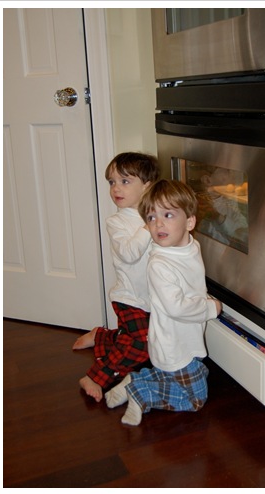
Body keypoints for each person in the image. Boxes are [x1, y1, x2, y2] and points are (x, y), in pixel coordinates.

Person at [105, 179, 222, 425]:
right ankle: (141, 393)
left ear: (189, 222)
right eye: (151, 217)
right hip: (172, 342)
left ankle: (136, 380)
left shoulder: (190, 246)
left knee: (193, 373)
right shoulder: (160, 264)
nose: (158, 223)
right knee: (195, 398)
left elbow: (191, 283)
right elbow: (177, 307)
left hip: (185, 335)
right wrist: (210, 307)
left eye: (168, 214)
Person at [73, 152, 159, 403]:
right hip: (129, 297)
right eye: (112, 182)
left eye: (125, 181)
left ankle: (101, 336)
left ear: (147, 185)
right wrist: (148, 227)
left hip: (154, 298)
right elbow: (129, 254)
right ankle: (96, 377)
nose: (116, 188)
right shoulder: (117, 222)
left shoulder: (157, 215)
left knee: (143, 342)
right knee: (143, 344)